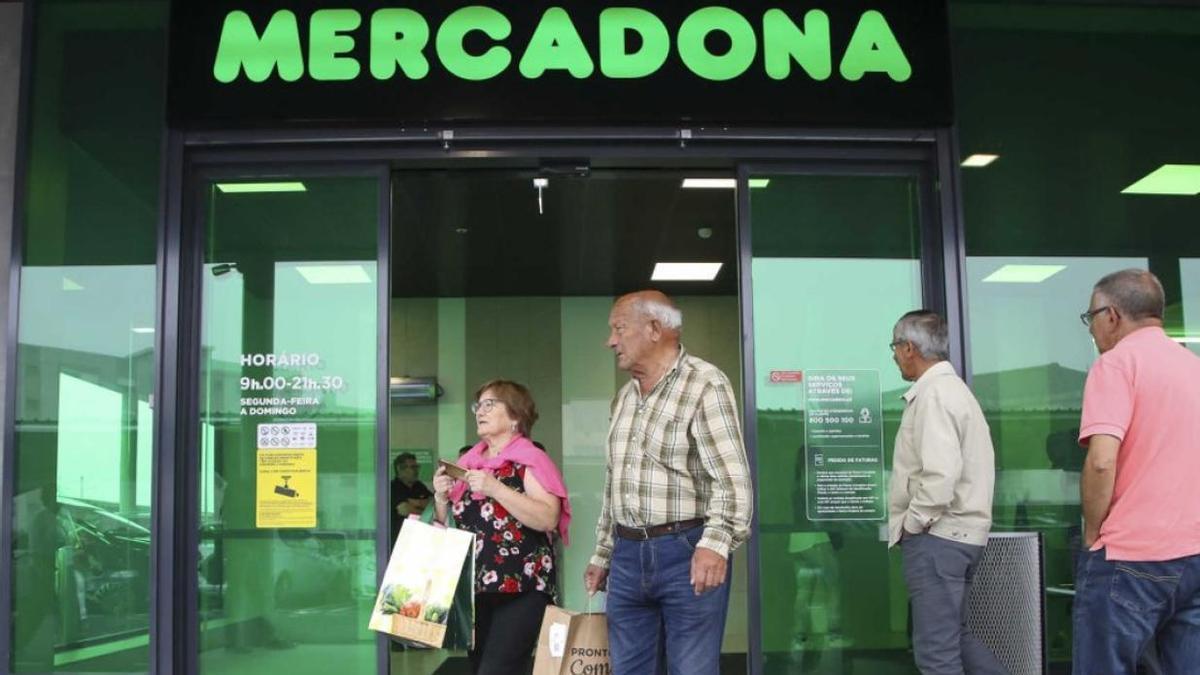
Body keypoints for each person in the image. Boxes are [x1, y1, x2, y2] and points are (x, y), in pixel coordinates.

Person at [583, 290, 753, 675]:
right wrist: (603, 554)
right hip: (626, 556)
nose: (610, 341)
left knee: (690, 669)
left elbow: (732, 480)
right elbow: (616, 484)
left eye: (619, 329)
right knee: (628, 670)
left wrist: (715, 545)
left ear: (655, 329)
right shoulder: (624, 398)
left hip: (686, 550)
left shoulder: (705, 384)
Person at [1073, 269, 1200, 674]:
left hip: (1131, 556)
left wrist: (1093, 533)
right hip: (1194, 553)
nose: (1091, 329)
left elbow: (1101, 459)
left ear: (1111, 315)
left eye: (1090, 317)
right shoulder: (1192, 366)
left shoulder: (1116, 365)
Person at [887, 310, 1005, 675]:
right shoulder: (955, 391)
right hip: (962, 537)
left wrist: (913, 523)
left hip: (939, 537)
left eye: (894, 346)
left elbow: (940, 474)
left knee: (936, 654)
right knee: (956, 637)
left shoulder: (934, 394)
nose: (892, 355)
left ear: (910, 348)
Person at [432, 380, 571, 675]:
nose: (480, 411)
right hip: (475, 590)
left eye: (490, 404)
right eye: (478, 405)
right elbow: (451, 530)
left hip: (522, 588)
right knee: (480, 667)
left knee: (496, 670)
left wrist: (496, 488)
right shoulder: (468, 464)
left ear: (515, 416)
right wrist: (441, 501)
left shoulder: (531, 460)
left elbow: (548, 518)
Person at [390, 452, 433, 542]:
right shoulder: (393, 487)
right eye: (413, 467)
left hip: (419, 538)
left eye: (417, 467)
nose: (416, 470)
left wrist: (416, 503)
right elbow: (404, 510)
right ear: (400, 469)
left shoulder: (419, 486)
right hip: (399, 539)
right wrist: (425, 509)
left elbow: (433, 504)